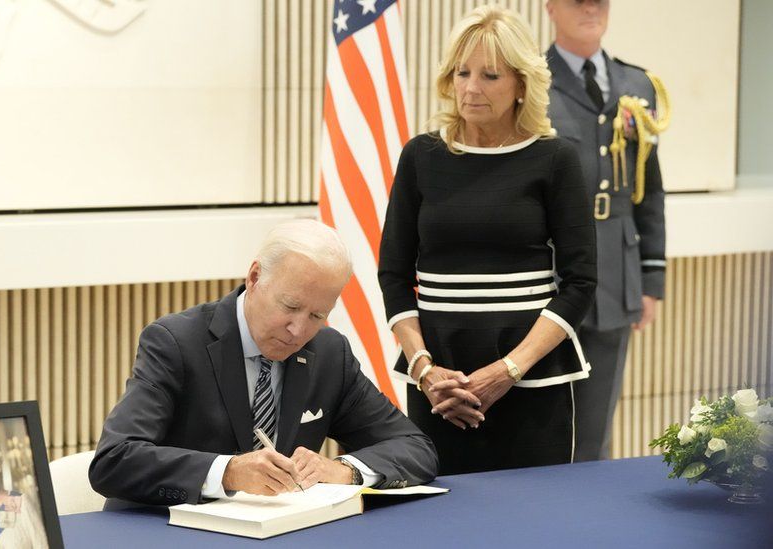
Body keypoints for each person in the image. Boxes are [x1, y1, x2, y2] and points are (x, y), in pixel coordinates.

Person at [378, 5, 596, 475]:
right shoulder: (421, 156)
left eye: (490, 75)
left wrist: (509, 370)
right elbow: (393, 276)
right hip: (440, 391)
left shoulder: (555, 159)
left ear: (521, 84)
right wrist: (424, 370)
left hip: (534, 386)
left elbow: (580, 283)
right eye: (462, 73)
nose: (471, 88)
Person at [89, 219, 437, 505]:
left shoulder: (330, 353)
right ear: (254, 278)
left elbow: (416, 448)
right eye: (289, 306)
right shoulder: (175, 343)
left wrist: (345, 470)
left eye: (317, 314)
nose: (299, 330)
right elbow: (114, 460)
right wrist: (227, 472)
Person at [545, 0, 667, 461]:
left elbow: (648, 188)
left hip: (617, 267)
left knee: (598, 418)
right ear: (551, 7)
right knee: (544, 414)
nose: (590, 6)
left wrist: (652, 276)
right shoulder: (530, 79)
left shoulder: (636, 85)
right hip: (549, 267)